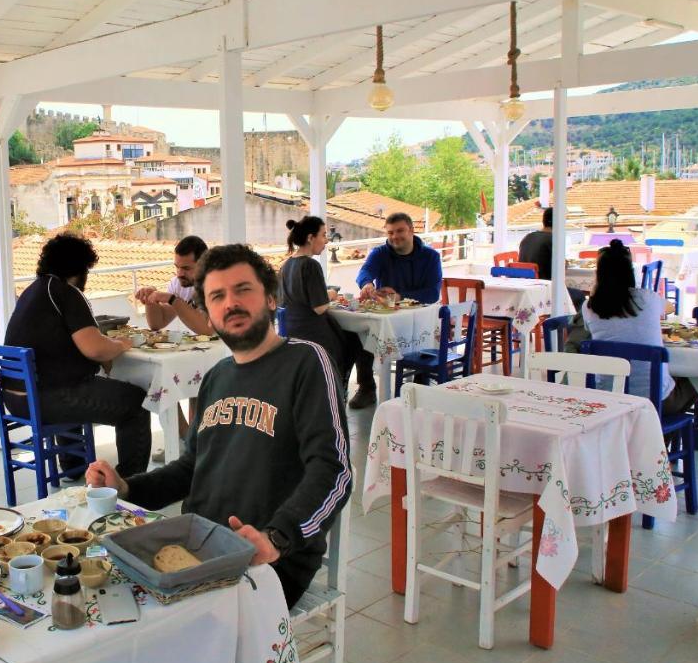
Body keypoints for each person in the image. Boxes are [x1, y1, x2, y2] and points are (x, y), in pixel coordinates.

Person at [86, 244, 352, 608]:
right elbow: (189, 468)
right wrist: (127, 486)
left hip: (265, 559)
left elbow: (334, 470)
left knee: (149, 632)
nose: (231, 303)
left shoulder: (306, 362)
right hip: (196, 547)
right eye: (217, 296)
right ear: (208, 315)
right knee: (99, 594)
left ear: (271, 299)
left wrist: (276, 538)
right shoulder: (215, 378)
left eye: (243, 290)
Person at [4, 233, 152, 478]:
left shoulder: (33, 291)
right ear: (80, 268)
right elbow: (94, 348)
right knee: (136, 403)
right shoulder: (65, 292)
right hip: (47, 399)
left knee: (74, 381)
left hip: (17, 399)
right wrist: (121, 344)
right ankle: (130, 482)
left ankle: (73, 466)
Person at [582, 240, 697, 415]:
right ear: (630, 272)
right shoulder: (647, 299)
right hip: (655, 401)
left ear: (599, 274)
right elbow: (670, 308)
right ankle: (659, 437)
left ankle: (650, 437)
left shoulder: (589, 307)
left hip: (608, 398)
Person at [347, 212, 443, 409]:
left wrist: (399, 296)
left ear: (411, 230)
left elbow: (433, 293)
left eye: (400, 231)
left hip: (419, 317)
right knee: (358, 332)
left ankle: (419, 385)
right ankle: (367, 387)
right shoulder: (381, 253)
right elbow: (365, 272)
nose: (394, 237)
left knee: (423, 338)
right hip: (387, 316)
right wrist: (366, 284)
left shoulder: (431, 257)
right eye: (390, 232)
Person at [278, 217, 361, 397]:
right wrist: (331, 294)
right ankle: (340, 388)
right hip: (313, 333)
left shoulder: (286, 265)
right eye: (323, 235)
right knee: (355, 339)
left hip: (292, 331)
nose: (326, 240)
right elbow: (320, 308)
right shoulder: (310, 265)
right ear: (310, 238)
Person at [133, 235, 215, 336]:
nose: (179, 274)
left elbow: (206, 329)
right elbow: (158, 323)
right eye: (177, 267)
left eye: (186, 268)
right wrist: (151, 299)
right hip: (205, 349)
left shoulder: (218, 284)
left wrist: (172, 299)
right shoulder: (178, 283)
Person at [519, 206, 587, 309]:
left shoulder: (527, 237)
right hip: (545, 292)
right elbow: (561, 269)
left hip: (526, 291)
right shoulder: (553, 240)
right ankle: (566, 324)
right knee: (579, 296)